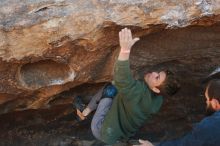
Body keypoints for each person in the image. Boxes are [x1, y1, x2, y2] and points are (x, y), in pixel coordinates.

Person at [75, 28, 180, 145]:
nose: (154, 73)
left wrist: (125, 50)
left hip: (101, 129)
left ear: (156, 89)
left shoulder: (137, 92)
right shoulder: (158, 101)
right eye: (158, 72)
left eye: (157, 78)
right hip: (119, 137)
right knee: (121, 91)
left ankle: (83, 113)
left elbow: (121, 78)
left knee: (111, 87)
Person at [133, 79, 220, 146]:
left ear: (215, 103)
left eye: (207, 100)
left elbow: (185, 144)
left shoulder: (210, 125)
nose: (206, 103)